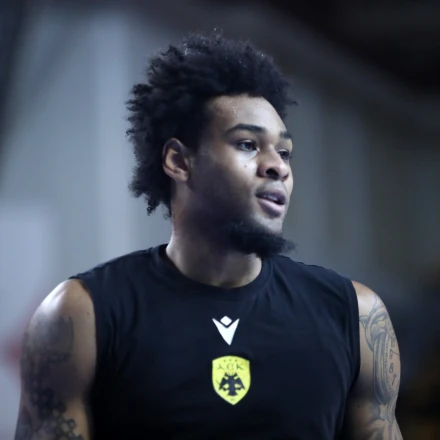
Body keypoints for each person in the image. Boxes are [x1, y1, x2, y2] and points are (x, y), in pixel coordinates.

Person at [14, 31, 402, 439]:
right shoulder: (82, 313)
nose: (278, 166)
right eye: (248, 144)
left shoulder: (355, 315)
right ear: (179, 161)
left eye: (284, 152)